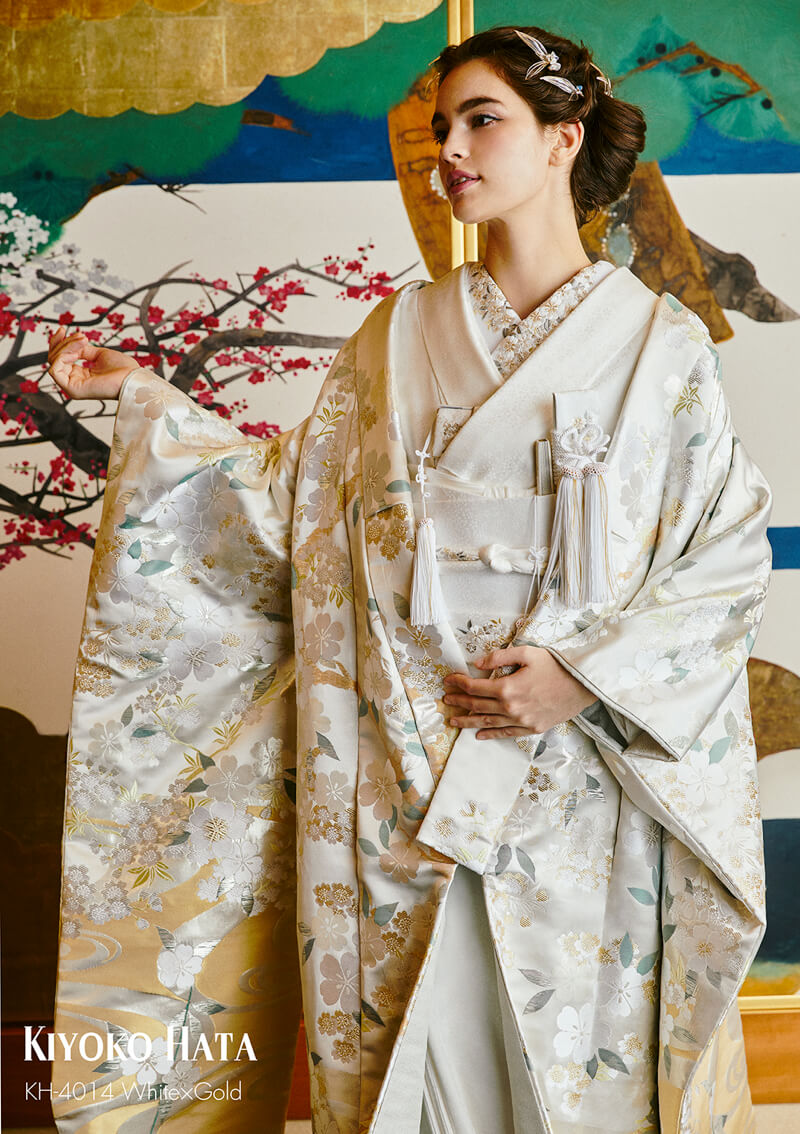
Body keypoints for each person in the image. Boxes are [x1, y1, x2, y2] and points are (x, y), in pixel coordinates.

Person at [47, 24, 771, 1134]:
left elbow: (722, 555)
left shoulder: (659, 347)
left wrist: (580, 676)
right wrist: (143, 400)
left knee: (578, 1069)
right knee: (417, 1066)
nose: (451, 151)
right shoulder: (391, 337)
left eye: (484, 120)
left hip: (578, 772)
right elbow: (288, 506)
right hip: (400, 757)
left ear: (563, 139)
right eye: (443, 128)